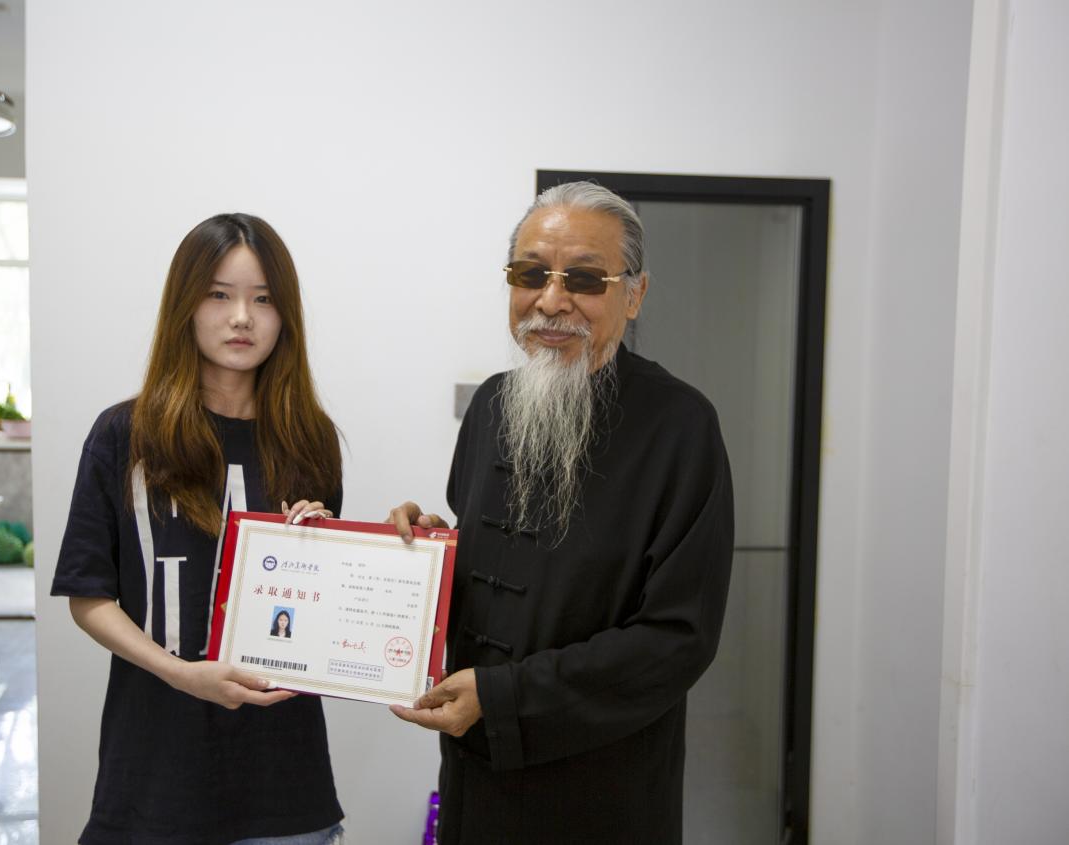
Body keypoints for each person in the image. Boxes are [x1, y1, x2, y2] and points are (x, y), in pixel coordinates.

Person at [388, 182, 735, 844]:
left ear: (634, 295)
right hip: (475, 777)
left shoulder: (680, 425)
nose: (550, 300)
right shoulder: (492, 404)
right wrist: (427, 554)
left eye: (583, 279)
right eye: (530, 275)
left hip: (603, 789)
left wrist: (504, 698)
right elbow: (494, 571)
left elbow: (677, 637)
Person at [52, 213, 344, 845]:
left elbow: (319, 616)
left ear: (285, 316)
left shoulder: (310, 439)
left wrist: (332, 550)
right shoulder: (123, 435)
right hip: (153, 772)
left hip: (283, 782)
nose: (241, 317)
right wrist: (183, 674)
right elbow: (88, 596)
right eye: (219, 294)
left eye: (263, 299)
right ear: (184, 304)